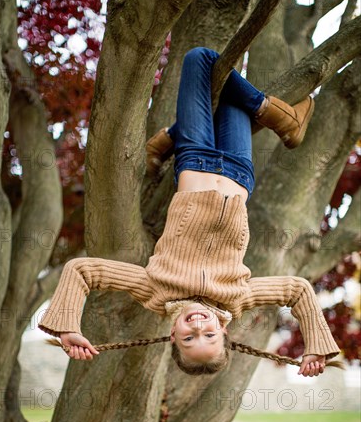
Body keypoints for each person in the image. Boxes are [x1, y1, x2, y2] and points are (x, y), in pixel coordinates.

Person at [39, 47, 340, 377]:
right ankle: (187, 135)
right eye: (209, 335)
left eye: (189, 337)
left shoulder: (155, 291)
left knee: (200, 59)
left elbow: (82, 270)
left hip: (195, 158)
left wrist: (66, 327)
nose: (198, 326)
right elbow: (297, 290)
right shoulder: (238, 297)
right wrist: (316, 345)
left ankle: (178, 137)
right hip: (239, 169)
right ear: (223, 333)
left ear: (172, 336)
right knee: (228, 81)